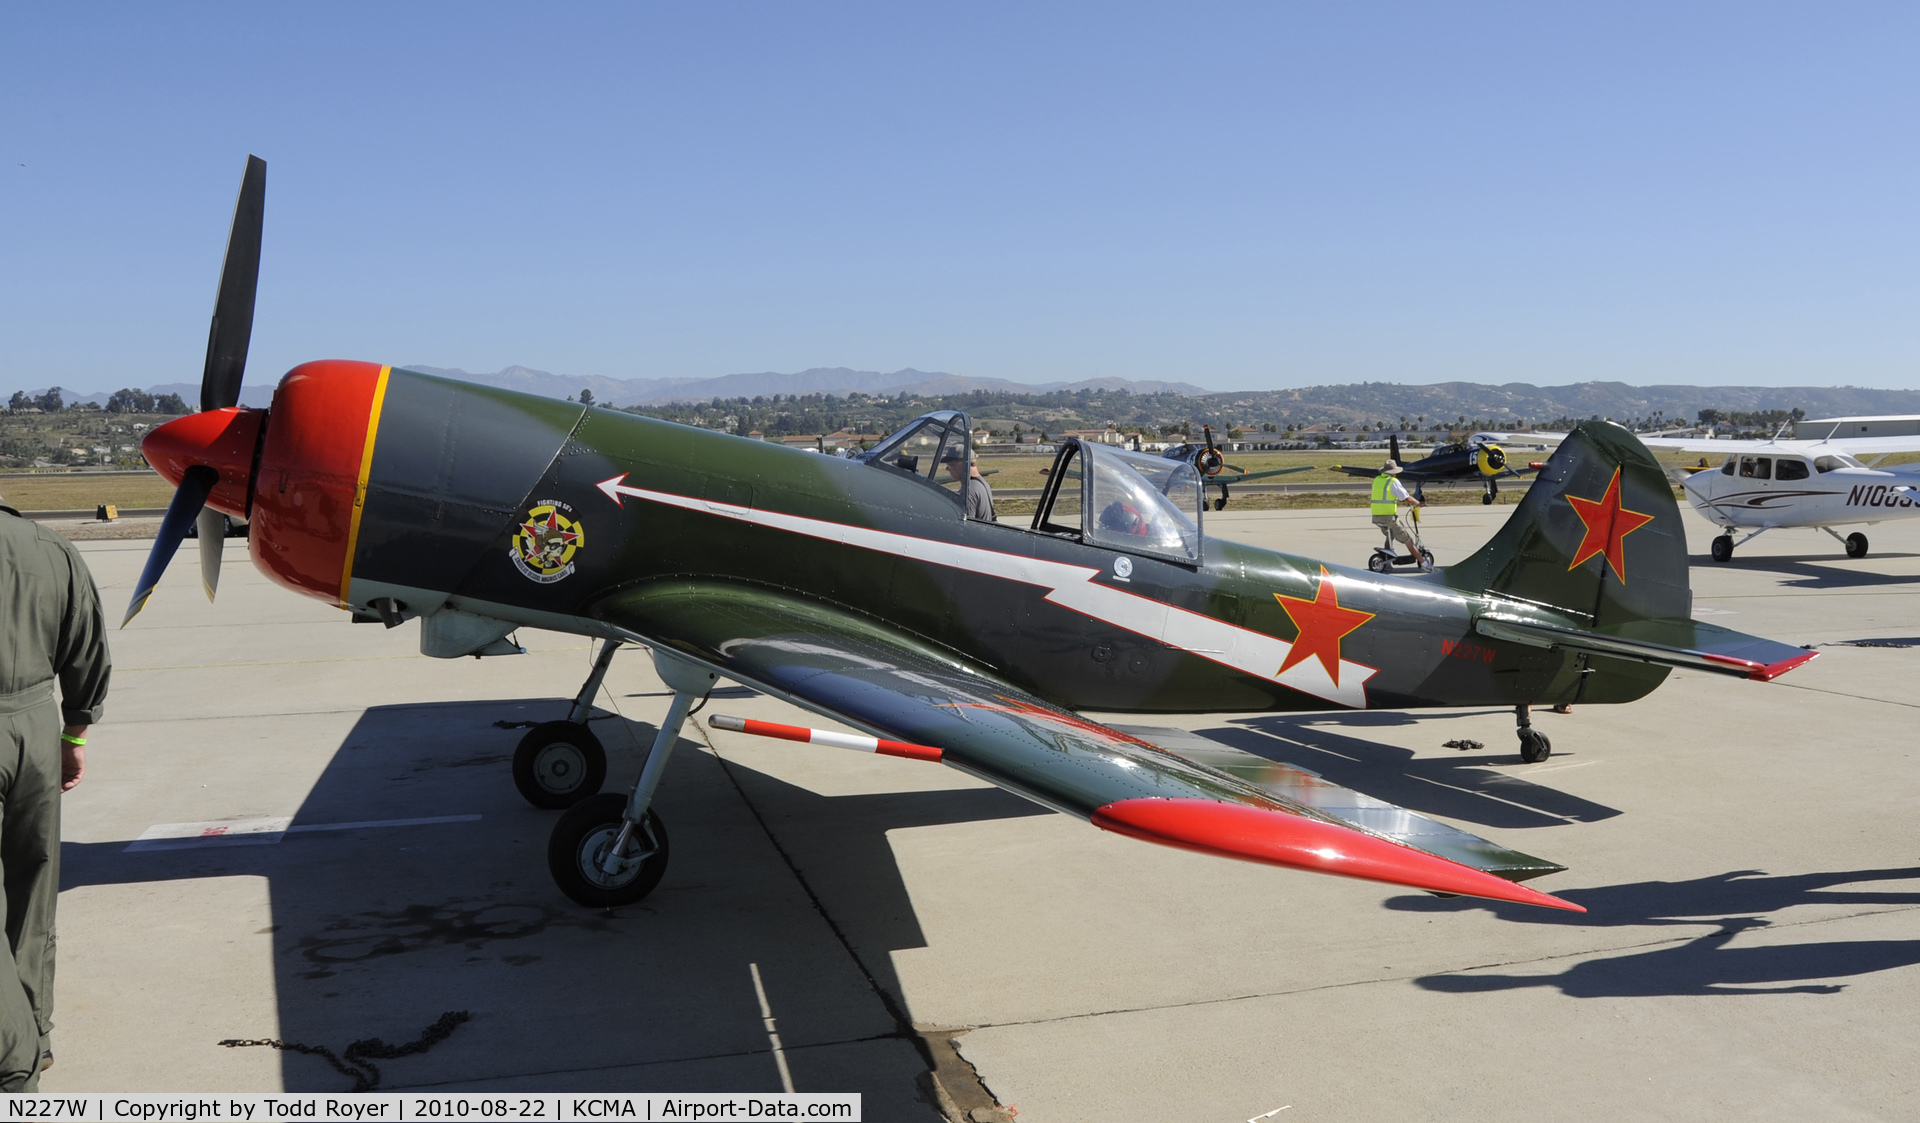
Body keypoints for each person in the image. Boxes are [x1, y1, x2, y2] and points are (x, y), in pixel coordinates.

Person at [0, 494, 109, 1091]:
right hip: (38, 730)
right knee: (33, 892)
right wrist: (74, 734)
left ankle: (10, 1065)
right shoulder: (50, 546)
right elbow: (87, 647)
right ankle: (35, 1036)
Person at [1370, 462, 1423, 554]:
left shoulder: (1377, 479)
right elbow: (1406, 497)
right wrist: (1419, 503)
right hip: (1389, 518)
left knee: (1390, 535)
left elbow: (1386, 496)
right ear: (1394, 472)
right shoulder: (1393, 481)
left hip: (1376, 516)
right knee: (1407, 540)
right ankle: (1424, 564)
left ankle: (1387, 558)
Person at [943, 452, 996, 522]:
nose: (947, 469)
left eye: (951, 465)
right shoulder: (982, 483)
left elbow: (966, 525)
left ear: (965, 464)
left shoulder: (969, 490)